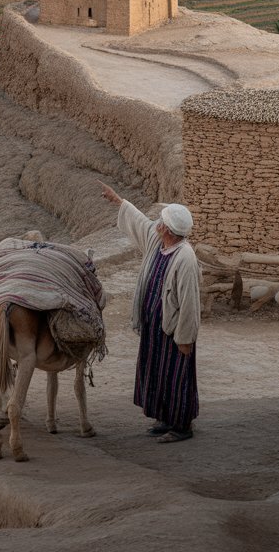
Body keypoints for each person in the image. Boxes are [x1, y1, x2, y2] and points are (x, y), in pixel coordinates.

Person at [100, 182, 201, 443]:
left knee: (176, 376)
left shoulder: (185, 258)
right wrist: (118, 201)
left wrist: (185, 339)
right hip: (155, 328)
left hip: (174, 331)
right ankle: (164, 418)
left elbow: (190, 303)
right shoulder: (159, 242)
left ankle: (181, 427)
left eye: (162, 221)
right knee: (158, 372)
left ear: (168, 229)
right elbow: (140, 222)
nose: (157, 223)